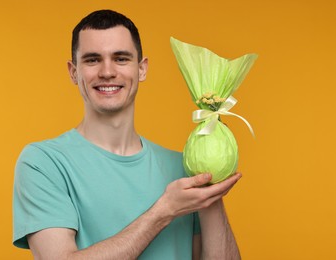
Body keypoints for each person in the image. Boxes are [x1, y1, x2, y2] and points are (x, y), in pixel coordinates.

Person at [13, 9, 242, 260]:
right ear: (73, 72)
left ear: (142, 69)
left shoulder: (183, 169)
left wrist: (210, 188)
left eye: (121, 58)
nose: (107, 72)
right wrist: (163, 211)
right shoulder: (44, 162)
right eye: (92, 60)